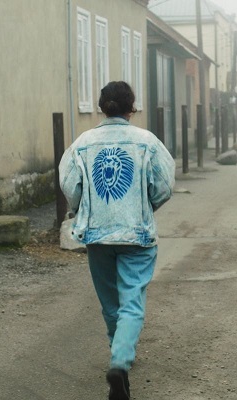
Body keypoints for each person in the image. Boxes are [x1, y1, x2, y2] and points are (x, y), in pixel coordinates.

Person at [59, 81, 175, 400]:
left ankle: (117, 353)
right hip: (136, 234)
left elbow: (70, 185)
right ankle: (120, 363)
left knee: (110, 302)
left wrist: (83, 208)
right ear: (132, 108)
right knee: (132, 300)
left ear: (101, 107)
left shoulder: (82, 143)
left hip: (97, 235)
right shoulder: (147, 141)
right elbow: (165, 185)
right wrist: (145, 206)